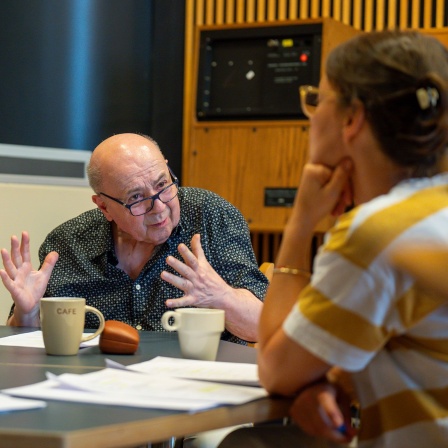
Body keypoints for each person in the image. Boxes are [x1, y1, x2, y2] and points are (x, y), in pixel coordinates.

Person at [218, 30, 448, 447]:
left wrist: (301, 222)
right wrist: (325, 380)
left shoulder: (378, 233)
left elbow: (275, 370)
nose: (311, 115)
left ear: (351, 119)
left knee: (247, 443)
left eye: (317, 99)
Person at [0, 133, 267, 344]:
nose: (159, 207)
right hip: (96, 392)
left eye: (163, 185)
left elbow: (264, 327)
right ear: (103, 206)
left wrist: (220, 296)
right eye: (136, 198)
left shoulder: (211, 217)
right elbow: (25, 345)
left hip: (197, 390)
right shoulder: (68, 245)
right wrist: (27, 313)